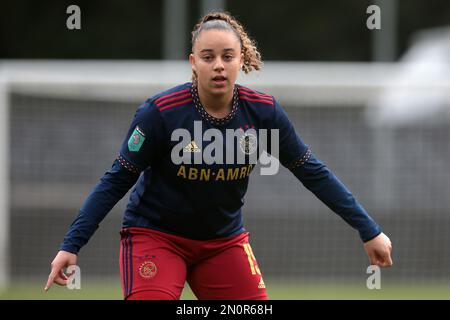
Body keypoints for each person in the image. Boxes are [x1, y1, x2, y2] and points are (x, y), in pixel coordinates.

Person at [45, 11, 393, 300]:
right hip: (156, 238)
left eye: (228, 56)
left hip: (222, 242)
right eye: (208, 57)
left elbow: (312, 172)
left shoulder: (264, 113)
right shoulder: (160, 113)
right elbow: (116, 179)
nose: (219, 66)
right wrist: (70, 245)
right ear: (193, 62)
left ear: (241, 59)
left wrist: (369, 230)